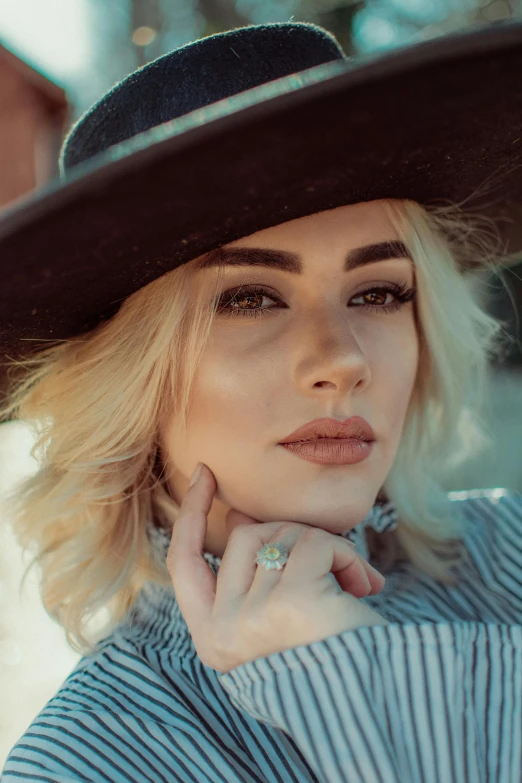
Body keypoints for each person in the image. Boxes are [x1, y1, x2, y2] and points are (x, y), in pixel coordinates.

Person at [0, 19, 522, 783]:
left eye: (378, 291)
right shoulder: (92, 759)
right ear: (133, 380)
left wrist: (350, 654)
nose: (342, 359)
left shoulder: (508, 546)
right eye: (250, 298)